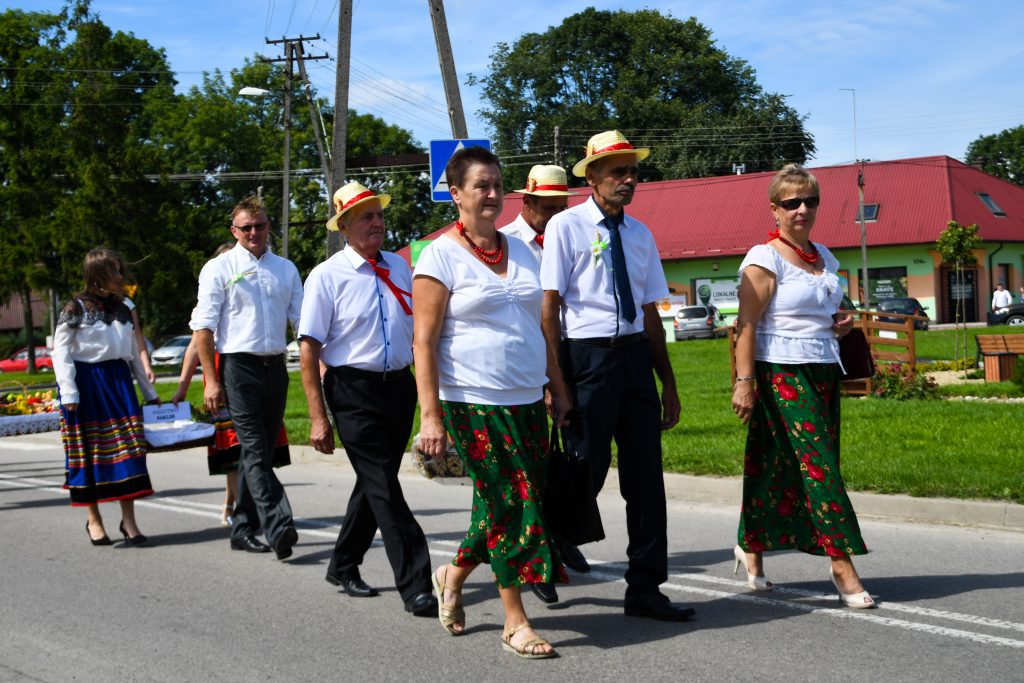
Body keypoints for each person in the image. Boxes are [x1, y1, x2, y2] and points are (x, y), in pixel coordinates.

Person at [414, 146, 566, 659]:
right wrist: (430, 415)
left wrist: (557, 387)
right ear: (455, 194)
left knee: (503, 502)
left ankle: (451, 575)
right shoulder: (439, 254)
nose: (494, 194)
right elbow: (424, 341)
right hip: (472, 399)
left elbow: (543, 327)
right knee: (513, 501)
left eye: (499, 184)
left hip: (526, 397)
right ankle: (514, 621)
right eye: (482, 185)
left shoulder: (525, 250)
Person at [540, 130, 694, 622]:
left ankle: (645, 588)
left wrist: (666, 381)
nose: (628, 180)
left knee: (646, 479)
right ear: (592, 177)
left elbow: (650, 311)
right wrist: (556, 382)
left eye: (632, 171)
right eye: (617, 172)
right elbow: (549, 308)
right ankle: (545, 551)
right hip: (586, 359)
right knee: (584, 468)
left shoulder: (641, 233)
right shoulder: (566, 227)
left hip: (633, 361)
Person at [730, 163, 874, 608]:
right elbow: (746, 325)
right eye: (792, 202)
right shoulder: (764, 257)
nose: (802, 210)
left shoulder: (826, 257)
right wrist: (744, 382)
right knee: (820, 467)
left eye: (810, 201)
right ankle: (841, 563)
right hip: (781, 373)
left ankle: (750, 548)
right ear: (774, 209)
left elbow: (833, 312)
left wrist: (844, 323)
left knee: (772, 464)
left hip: (823, 370)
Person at [298, 181, 436, 617]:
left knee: (373, 482)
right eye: (366, 218)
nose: (376, 223)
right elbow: (309, 349)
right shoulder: (326, 276)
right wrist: (319, 417)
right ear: (344, 226)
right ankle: (416, 582)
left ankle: (342, 563)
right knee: (384, 485)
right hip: (351, 391)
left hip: (398, 387)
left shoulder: (399, 266)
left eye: (379, 215)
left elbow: (420, 330)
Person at [190, 196, 303, 560]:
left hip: (276, 368)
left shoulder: (285, 268)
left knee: (263, 452)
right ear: (234, 231)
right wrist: (210, 380)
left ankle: (241, 527)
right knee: (254, 448)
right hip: (238, 368)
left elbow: (303, 323)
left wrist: (319, 363)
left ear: (270, 226)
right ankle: (279, 523)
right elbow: (203, 329)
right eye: (246, 228)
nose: (254, 233)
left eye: (260, 226)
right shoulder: (218, 268)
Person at [500, 164, 587, 605]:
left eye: (561, 207)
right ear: (527, 202)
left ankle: (560, 534)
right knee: (528, 469)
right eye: (547, 208)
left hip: (568, 352)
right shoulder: (509, 244)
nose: (555, 216)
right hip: (526, 362)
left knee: (565, 456)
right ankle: (535, 557)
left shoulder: (567, 234)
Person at [172, 246, 292, 528]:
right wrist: (185, 386)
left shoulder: (257, 298)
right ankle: (265, 518)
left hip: (260, 374)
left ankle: (242, 515)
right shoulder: (211, 300)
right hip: (225, 374)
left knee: (255, 450)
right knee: (240, 449)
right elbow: (194, 345)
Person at [52, 247, 159, 547]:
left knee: (129, 453)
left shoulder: (124, 308)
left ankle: (129, 522)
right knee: (88, 454)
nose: (121, 276)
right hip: (86, 385)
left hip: (118, 383)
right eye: (115, 271)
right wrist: (70, 391)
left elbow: (134, 354)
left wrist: (150, 394)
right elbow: (60, 353)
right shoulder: (75, 308)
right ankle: (94, 520)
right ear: (99, 275)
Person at [499, 164, 571, 264]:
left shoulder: (566, 239)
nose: (557, 215)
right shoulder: (503, 242)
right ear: (527, 202)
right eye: (549, 208)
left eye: (563, 208)